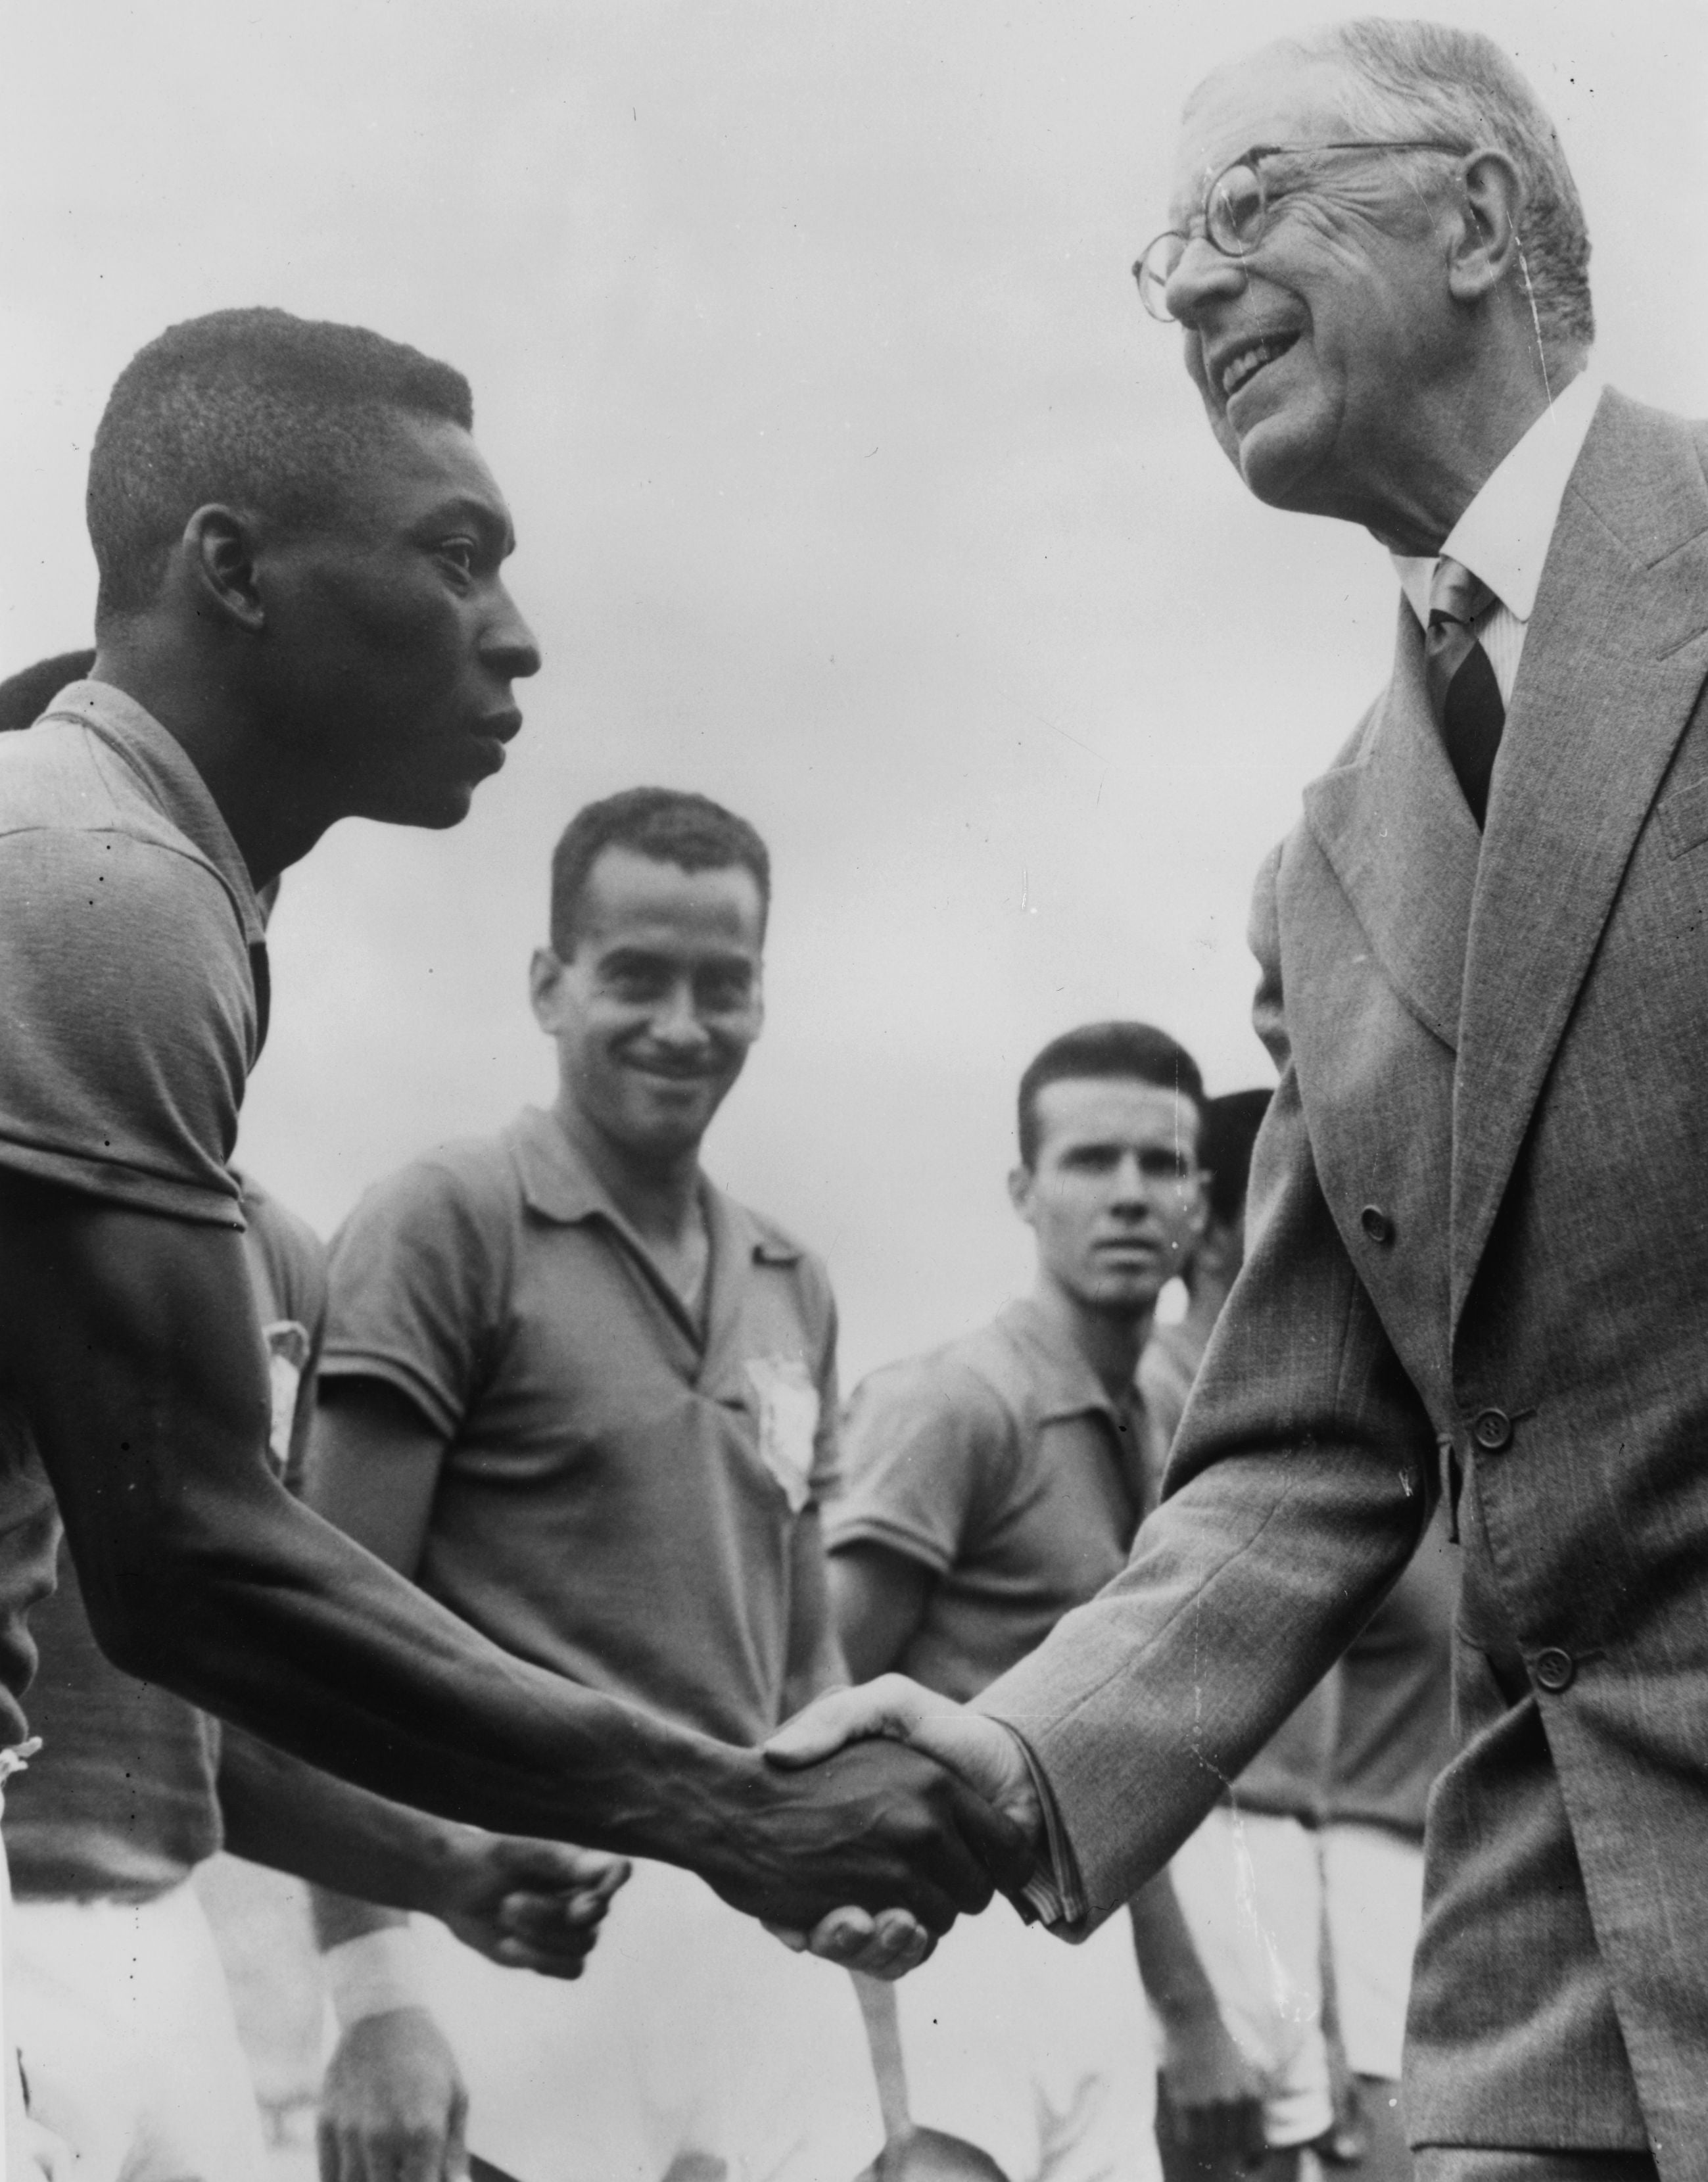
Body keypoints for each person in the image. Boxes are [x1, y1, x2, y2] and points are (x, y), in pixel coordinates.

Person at [773, 20, 1708, 2177]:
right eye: (1164, 250)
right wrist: (1013, 1759)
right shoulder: (1327, 859)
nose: (1187, 285)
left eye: (1248, 207)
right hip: (1549, 1908)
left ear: (1474, 219)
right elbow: (1296, 1452)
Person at [0, 309, 1016, 2166]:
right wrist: (721, 1808)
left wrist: (452, 1856)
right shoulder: (103, 873)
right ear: (228, 568)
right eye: (453, 559)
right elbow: (194, 1574)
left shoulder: (142, 874)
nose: (520, 633)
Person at [300, 788, 891, 2181]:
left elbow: (800, 1659)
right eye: (636, 976)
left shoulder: (789, 1280)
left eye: (724, 985)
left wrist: (842, 1885)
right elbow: (320, 1647)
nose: (683, 1025)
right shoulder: (447, 1219)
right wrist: (377, 1996)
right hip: (523, 1927)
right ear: (549, 985)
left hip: (749, 1949)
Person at [826, 1023, 1263, 2182]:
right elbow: (809, 1709)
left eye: (1160, 1165)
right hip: (936, 1972)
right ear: (1024, 1190)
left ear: (1201, 1199)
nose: (1127, 1196)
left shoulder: (1165, 1433)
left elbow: (1117, 1761)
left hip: (1076, 1959)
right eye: (1087, 1161)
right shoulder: (955, 1404)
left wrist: (1187, 2007)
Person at [1140, 1090, 1337, 2179]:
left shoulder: (1310, 1398)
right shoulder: (1161, 1382)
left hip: (1288, 1849)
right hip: (1196, 1833)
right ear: (1211, 1226)